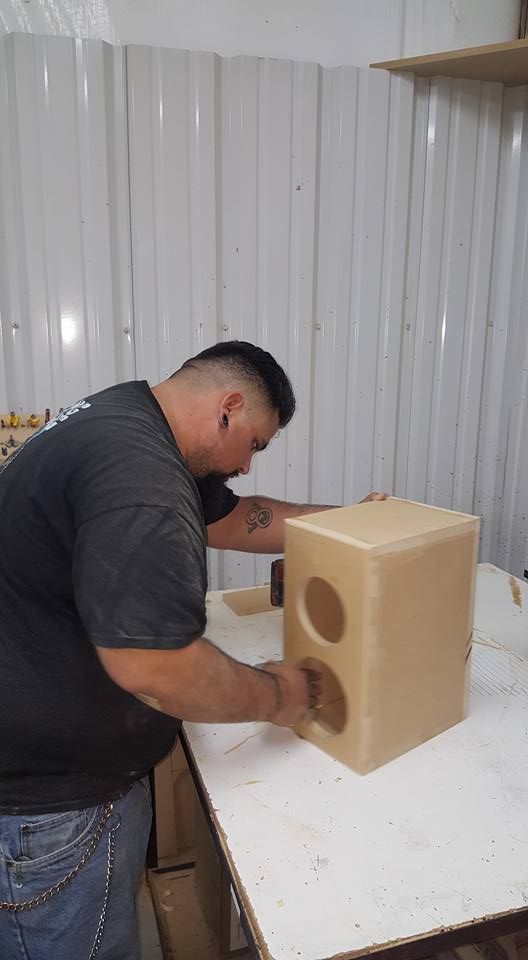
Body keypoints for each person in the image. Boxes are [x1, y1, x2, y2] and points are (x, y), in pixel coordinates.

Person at [0, 340, 385, 959]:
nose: (248, 465)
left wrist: (347, 523)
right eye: (255, 444)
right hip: (53, 811)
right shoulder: (142, 476)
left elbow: (237, 519)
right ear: (228, 407)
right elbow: (155, 665)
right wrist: (279, 694)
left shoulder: (122, 417)